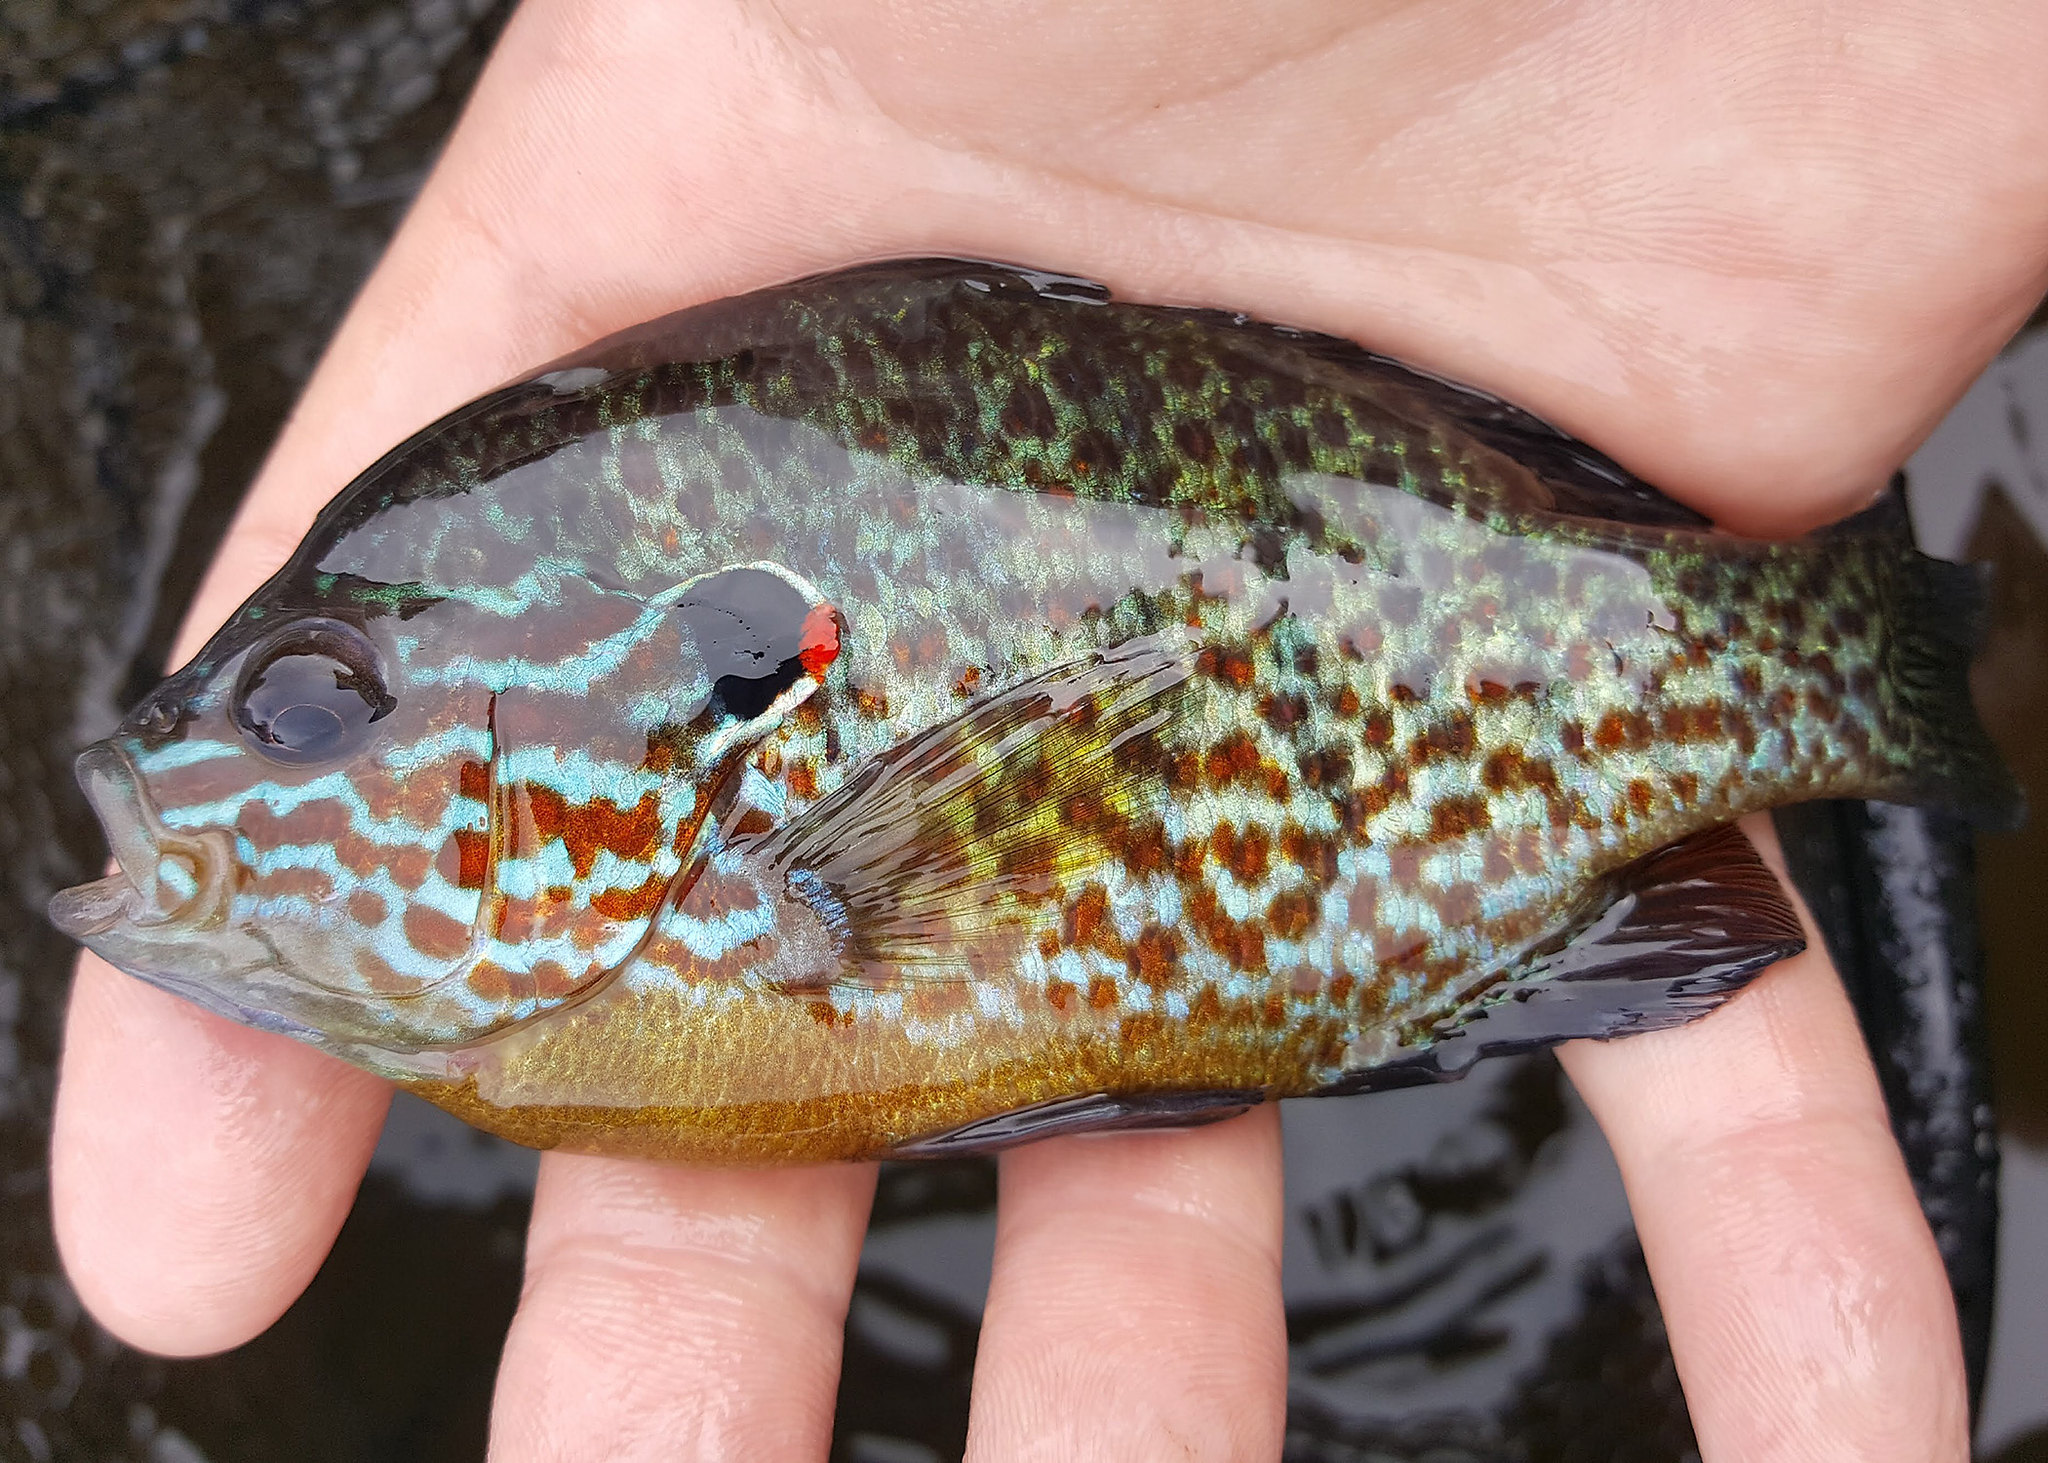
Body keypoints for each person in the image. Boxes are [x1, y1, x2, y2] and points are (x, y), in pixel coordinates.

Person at [50, 3, 2048, 1458]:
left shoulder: (696, 925)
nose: (217, 769)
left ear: (617, 714)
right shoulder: (624, 931)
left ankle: (1866, 670)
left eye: (311, 703)